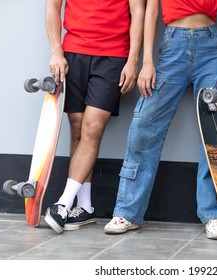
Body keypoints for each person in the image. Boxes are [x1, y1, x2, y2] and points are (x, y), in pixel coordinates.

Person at [104, 0, 217, 240]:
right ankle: (127, 211)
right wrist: (147, 61)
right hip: (172, 46)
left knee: (214, 133)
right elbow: (151, 11)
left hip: (212, 50)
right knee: (144, 126)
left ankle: (213, 215)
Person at [44, 0, 145, 234]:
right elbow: (52, 6)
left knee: (93, 127)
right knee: (78, 128)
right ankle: (85, 206)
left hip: (113, 56)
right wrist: (56, 52)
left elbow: (137, 11)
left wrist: (133, 60)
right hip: (73, 53)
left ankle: (63, 203)